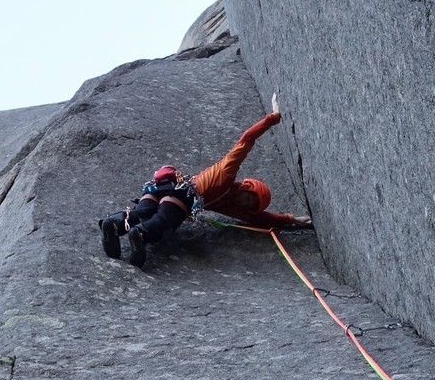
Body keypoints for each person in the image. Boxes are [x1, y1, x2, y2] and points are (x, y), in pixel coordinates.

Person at [99, 94, 312, 267]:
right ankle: (140, 234)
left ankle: (115, 224)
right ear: (247, 186)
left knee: (143, 213)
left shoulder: (230, 206)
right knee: (165, 222)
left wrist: (290, 219)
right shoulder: (227, 173)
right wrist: (273, 117)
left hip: (161, 188)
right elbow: (247, 139)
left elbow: (260, 219)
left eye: (251, 206)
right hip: (182, 195)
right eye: (250, 198)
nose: (247, 204)